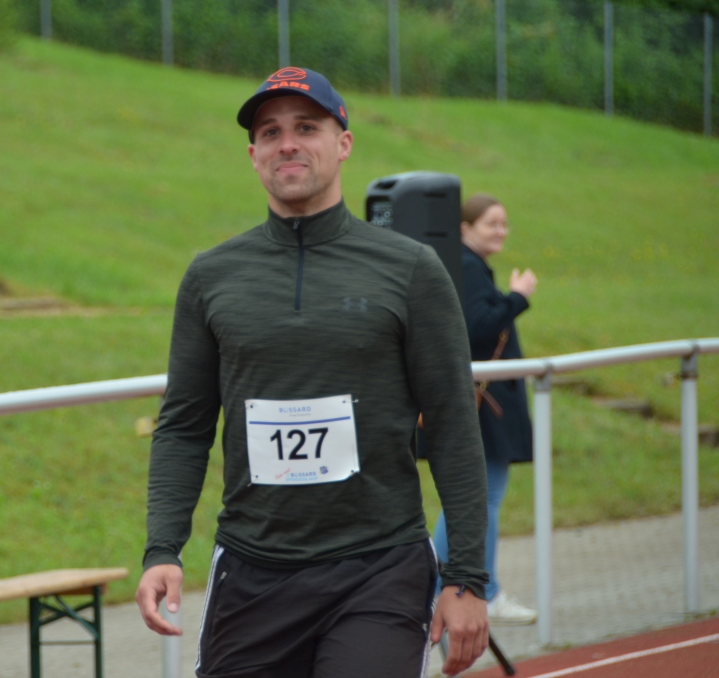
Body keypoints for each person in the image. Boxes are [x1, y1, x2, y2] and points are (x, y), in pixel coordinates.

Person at [135, 67, 490, 678]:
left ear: (343, 143)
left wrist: (466, 576)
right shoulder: (211, 275)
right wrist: (162, 548)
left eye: (306, 128)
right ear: (253, 155)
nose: (287, 144)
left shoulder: (412, 269)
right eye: (270, 133)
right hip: (252, 570)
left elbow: (454, 424)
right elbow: (184, 427)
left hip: (379, 568)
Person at [431, 193, 538, 625]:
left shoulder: (465, 264)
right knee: (482, 500)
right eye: (491, 223)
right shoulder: (468, 266)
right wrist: (518, 297)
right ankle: (483, 591)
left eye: (504, 223)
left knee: (474, 499)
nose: (500, 231)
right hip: (482, 407)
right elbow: (477, 326)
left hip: (479, 404)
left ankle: (437, 586)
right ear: (464, 228)